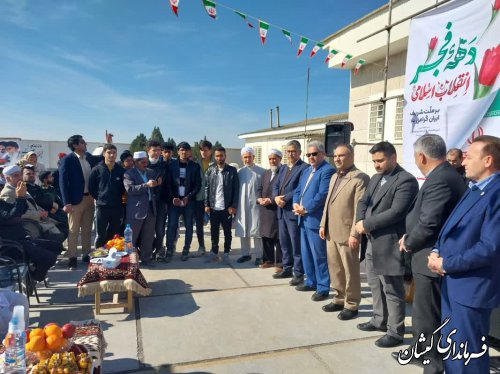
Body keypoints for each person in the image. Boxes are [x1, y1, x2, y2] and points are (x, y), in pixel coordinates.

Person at [428, 135, 500, 374]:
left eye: (469, 156)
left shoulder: (496, 193)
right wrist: (437, 250)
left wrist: (446, 263)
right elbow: (450, 227)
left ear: (488, 160)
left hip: (472, 289)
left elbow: (489, 248)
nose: (463, 160)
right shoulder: (474, 189)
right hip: (454, 284)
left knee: (468, 356)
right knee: (454, 351)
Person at [395, 135, 467, 371]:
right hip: (428, 256)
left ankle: (432, 364)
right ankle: (420, 352)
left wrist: (409, 241)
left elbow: (429, 223)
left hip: (430, 256)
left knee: (428, 315)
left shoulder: (440, 180)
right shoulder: (443, 175)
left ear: (421, 156)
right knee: (423, 312)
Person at [355, 141, 418, 348]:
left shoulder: (405, 180)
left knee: (392, 288)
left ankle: (395, 331)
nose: (376, 165)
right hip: (372, 240)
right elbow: (363, 202)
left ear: (393, 157)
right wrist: (360, 221)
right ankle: (379, 320)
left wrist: (367, 223)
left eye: (380, 160)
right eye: (374, 161)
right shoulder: (375, 178)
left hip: (390, 242)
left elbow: (397, 212)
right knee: (375, 284)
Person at [319, 144, 369, 320]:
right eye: (336, 156)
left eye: (342, 155)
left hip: (348, 233)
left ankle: (352, 304)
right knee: (335, 268)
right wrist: (323, 224)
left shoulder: (360, 178)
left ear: (352, 156)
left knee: (350, 270)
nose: (337, 159)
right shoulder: (334, 176)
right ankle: (339, 298)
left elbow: (359, 209)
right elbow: (328, 203)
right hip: (332, 231)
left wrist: (355, 234)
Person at [293, 141, 335, 302]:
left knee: (319, 256)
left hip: (315, 219)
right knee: (306, 254)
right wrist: (296, 204)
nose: (311, 157)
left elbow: (322, 195)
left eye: (314, 154)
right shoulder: (306, 171)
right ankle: (311, 281)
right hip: (302, 218)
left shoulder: (327, 170)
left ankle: (323, 287)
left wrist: (305, 208)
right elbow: (298, 191)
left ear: (323, 154)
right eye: (308, 154)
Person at [0, 179, 61, 283]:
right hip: (11, 247)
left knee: (57, 246)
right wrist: (20, 197)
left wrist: (22, 197)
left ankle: (30, 274)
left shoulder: (1, 203)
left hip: (22, 241)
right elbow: (12, 217)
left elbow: (20, 211)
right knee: (49, 258)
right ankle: (34, 278)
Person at [59, 135, 103, 270]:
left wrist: (107, 143)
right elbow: (63, 183)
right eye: (83, 142)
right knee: (73, 231)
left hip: (89, 198)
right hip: (74, 201)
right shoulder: (67, 160)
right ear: (75, 146)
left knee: (87, 229)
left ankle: (86, 254)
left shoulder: (88, 157)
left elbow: (102, 158)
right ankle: (72, 257)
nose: (85, 144)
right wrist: (66, 202)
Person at [272, 140, 309, 283]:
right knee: (284, 242)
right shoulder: (283, 168)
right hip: (281, 211)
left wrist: (285, 199)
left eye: (293, 151)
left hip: (291, 210)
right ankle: (287, 268)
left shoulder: (304, 168)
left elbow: (300, 188)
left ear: (299, 152)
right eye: (288, 151)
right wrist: (276, 198)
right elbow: (276, 184)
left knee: (295, 244)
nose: (290, 154)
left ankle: (299, 273)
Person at [1, 165, 64, 243]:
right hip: (28, 224)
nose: (20, 177)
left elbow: (32, 204)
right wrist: (38, 214)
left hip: (40, 220)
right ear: (7, 178)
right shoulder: (7, 192)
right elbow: (15, 213)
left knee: (62, 228)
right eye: (16, 176)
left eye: (20, 175)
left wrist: (42, 211)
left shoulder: (20, 187)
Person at [165, 142, 201, 262]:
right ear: (178, 151)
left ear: (190, 151)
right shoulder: (171, 165)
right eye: (181, 150)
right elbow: (168, 184)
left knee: (189, 227)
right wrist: (172, 197)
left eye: (186, 150)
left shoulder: (195, 166)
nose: (184, 152)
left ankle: (186, 250)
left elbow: (197, 185)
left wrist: (188, 197)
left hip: (188, 203)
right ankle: (169, 250)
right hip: (174, 202)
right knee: (172, 226)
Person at [123, 151, 159, 267]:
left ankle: (146, 259)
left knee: (148, 236)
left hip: (150, 207)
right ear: (135, 162)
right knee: (131, 238)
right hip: (136, 210)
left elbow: (154, 188)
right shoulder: (129, 174)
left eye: (146, 162)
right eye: (143, 162)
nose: (145, 164)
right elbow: (130, 190)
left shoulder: (150, 172)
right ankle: (129, 260)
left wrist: (156, 184)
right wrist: (146, 185)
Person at [204, 146, 239, 264]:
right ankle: (214, 251)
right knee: (214, 231)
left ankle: (226, 252)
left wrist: (233, 206)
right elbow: (207, 188)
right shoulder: (210, 170)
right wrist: (207, 204)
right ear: (215, 156)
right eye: (217, 156)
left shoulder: (231, 171)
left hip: (226, 208)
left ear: (225, 156)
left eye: (221, 155)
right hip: (214, 207)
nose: (219, 158)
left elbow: (236, 190)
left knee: (227, 232)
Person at [88, 144, 126, 248]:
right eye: (109, 152)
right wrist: (100, 197)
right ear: (104, 153)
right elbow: (91, 187)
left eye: (114, 153)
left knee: (114, 233)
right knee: (101, 234)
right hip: (102, 207)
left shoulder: (121, 170)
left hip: (117, 206)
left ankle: (111, 254)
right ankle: (99, 254)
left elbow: (123, 188)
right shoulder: (97, 169)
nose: (112, 155)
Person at [235, 146, 266, 265]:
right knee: (244, 230)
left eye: (250, 157)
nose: (248, 159)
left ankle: (259, 256)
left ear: (254, 157)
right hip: (242, 205)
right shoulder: (239, 172)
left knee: (257, 231)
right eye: (245, 157)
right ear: (242, 158)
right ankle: (245, 254)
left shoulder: (262, 172)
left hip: (256, 206)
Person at [22, 165, 68, 241]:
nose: (31, 175)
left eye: (33, 173)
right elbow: (39, 200)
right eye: (28, 174)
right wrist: (52, 204)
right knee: (62, 225)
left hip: (50, 210)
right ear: (22, 176)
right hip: (41, 213)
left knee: (65, 220)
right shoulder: (25, 187)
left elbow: (48, 198)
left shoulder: (36, 186)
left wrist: (54, 205)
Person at [256, 149, 283, 268]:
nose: (272, 161)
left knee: (278, 237)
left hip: (276, 210)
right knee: (266, 236)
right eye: (270, 159)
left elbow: (283, 191)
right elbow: (259, 188)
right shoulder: (266, 173)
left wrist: (270, 200)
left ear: (280, 159)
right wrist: (259, 199)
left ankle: (280, 263)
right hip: (264, 210)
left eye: (275, 158)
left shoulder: (283, 172)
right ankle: (268, 260)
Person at [145, 140, 169, 261]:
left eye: (159, 150)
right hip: (146, 203)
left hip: (160, 202)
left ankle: (159, 250)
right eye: (154, 150)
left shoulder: (164, 166)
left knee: (159, 230)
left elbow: (168, 185)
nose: (157, 152)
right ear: (148, 151)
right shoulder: (142, 164)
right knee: (147, 230)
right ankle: (148, 251)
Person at [193, 140, 214, 257]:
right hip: (199, 198)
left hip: (213, 199)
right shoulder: (196, 164)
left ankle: (214, 247)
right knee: (199, 224)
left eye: (205, 150)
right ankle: (202, 246)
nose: (203, 152)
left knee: (214, 224)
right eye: (201, 150)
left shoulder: (216, 163)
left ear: (210, 151)